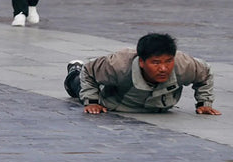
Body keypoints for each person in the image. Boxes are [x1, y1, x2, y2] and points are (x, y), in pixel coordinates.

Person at [64, 33, 221, 116]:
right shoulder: (119, 64)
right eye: (156, 62)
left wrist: (204, 104)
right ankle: (74, 70)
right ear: (141, 62)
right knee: (79, 86)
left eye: (168, 61)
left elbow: (205, 73)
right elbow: (89, 71)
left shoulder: (183, 64)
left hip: (159, 105)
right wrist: (91, 102)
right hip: (113, 99)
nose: (164, 68)